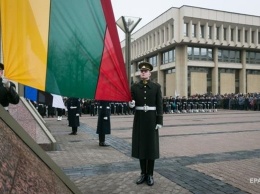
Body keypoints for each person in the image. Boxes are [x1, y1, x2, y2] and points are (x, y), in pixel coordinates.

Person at [129, 61, 163, 186]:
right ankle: (143, 173)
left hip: (151, 120)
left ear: (149, 73)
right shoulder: (134, 87)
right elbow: (131, 103)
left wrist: (159, 121)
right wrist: (131, 105)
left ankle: (150, 174)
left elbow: (159, 105)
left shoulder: (156, 87)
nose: (143, 73)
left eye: (145, 71)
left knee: (151, 147)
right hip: (139, 119)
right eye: (141, 71)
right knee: (141, 146)